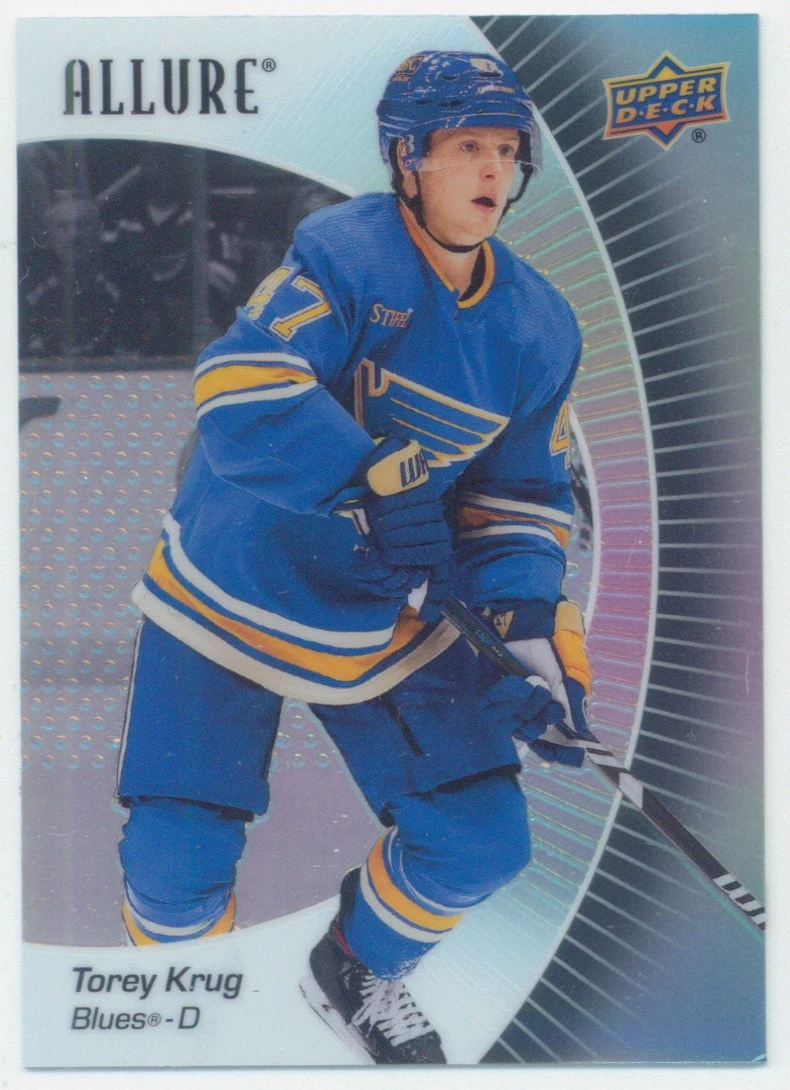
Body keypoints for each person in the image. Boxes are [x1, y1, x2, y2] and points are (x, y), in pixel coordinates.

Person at [116, 50, 593, 1065]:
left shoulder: (541, 325)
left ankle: (356, 968)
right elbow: (240, 387)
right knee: (173, 866)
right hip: (234, 583)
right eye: (467, 146)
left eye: (506, 150)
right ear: (407, 159)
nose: (492, 169)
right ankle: (174, 1027)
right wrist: (365, 482)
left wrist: (524, 631)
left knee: (480, 840)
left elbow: (519, 499)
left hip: (388, 612)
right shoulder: (346, 252)